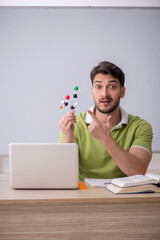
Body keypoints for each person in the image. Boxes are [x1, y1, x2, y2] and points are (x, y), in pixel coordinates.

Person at [59, 61, 153, 181]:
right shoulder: (74, 124)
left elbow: (138, 171)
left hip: (124, 195)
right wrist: (68, 139)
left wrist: (105, 138)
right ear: (92, 92)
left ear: (122, 92)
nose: (104, 94)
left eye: (112, 86)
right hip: (83, 195)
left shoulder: (140, 127)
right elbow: (61, 173)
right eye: (98, 87)